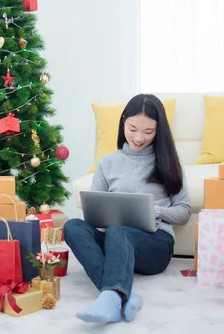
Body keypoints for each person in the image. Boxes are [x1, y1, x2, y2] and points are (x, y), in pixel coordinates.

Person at [64, 94, 191, 324]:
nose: (139, 137)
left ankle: (112, 297)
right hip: (115, 239)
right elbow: (93, 213)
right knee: (73, 226)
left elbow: (183, 212)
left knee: (118, 230)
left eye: (148, 131)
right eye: (132, 129)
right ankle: (123, 295)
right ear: (123, 122)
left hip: (156, 245)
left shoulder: (169, 162)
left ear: (159, 130)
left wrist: (158, 212)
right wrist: (104, 215)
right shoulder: (107, 163)